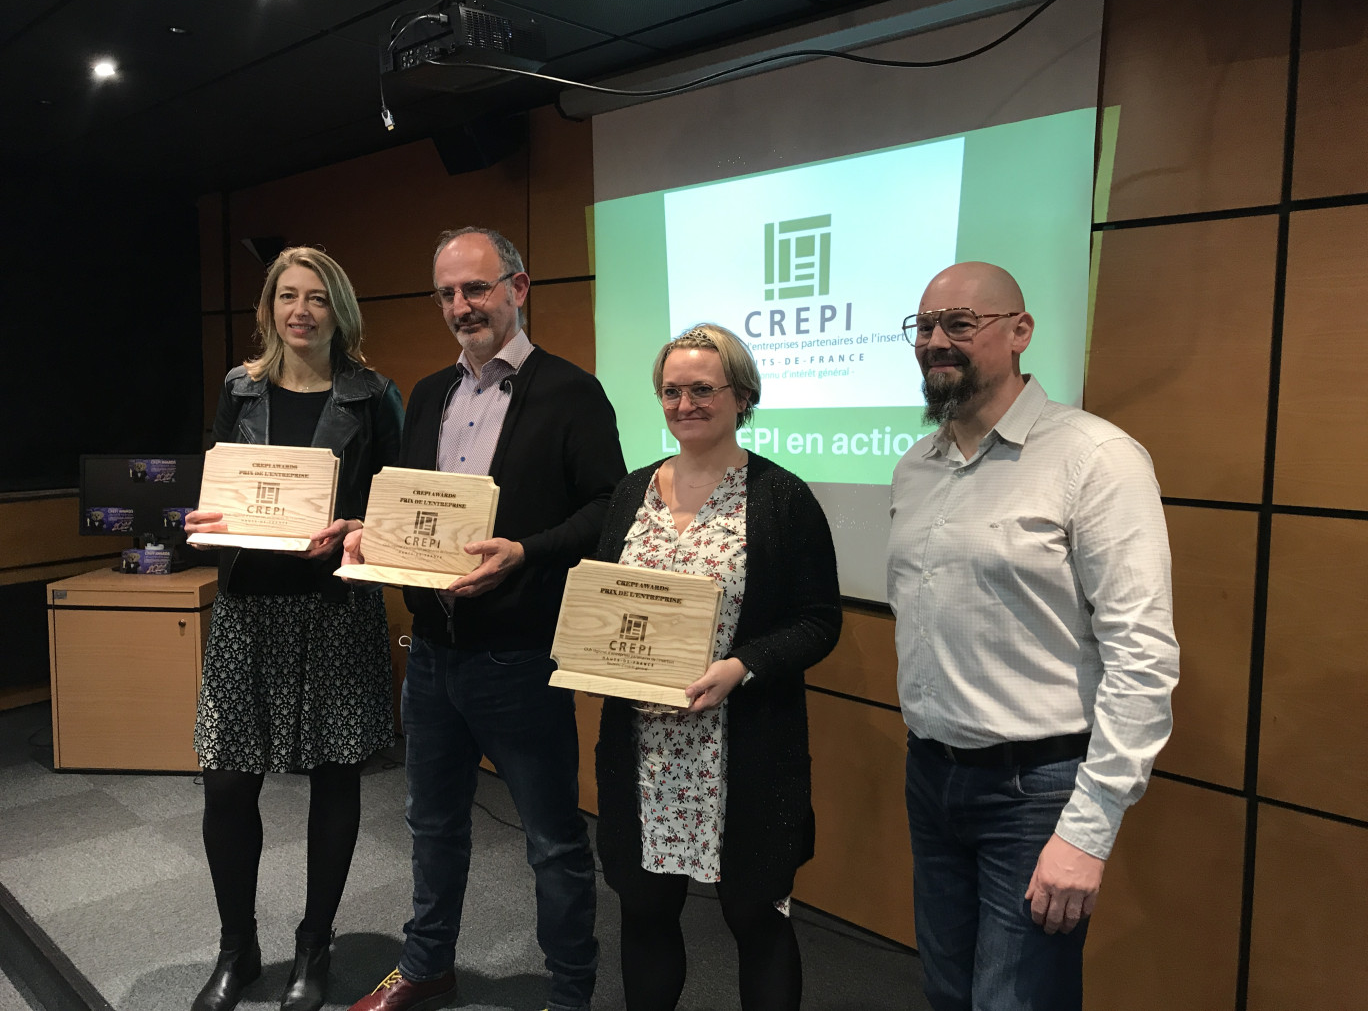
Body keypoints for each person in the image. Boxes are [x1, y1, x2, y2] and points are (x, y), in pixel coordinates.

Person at [885, 262, 1180, 1011]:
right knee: (948, 992)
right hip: (932, 773)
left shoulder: (1096, 458)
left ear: (1020, 332)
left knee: (1017, 1002)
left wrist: (1089, 830)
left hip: (1037, 789)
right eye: (923, 327)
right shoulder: (917, 464)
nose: (935, 342)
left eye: (959, 323)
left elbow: (1142, 657)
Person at [344, 227, 625, 1011]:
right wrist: (375, 534)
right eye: (447, 294)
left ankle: (571, 994)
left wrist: (526, 551)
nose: (462, 306)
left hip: (521, 657)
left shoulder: (572, 392)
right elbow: (408, 501)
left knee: (552, 842)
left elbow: (608, 507)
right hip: (432, 651)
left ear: (519, 287)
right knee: (431, 826)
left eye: (476, 288)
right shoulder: (430, 393)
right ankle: (426, 966)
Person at [594, 324, 842, 1011]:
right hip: (645, 752)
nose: (684, 404)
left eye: (702, 389)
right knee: (643, 911)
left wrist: (743, 666)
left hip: (743, 749)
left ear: (743, 396)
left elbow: (820, 620)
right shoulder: (631, 493)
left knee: (755, 918)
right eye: (671, 391)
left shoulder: (782, 499)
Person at [185, 247, 404, 1011]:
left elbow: (397, 506)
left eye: (316, 297)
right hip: (248, 608)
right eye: (287, 296)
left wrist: (358, 525)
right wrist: (206, 524)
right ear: (269, 308)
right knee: (227, 781)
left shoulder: (374, 396)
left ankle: (316, 946)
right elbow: (221, 487)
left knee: (333, 780)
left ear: (338, 309)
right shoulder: (238, 388)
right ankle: (236, 949)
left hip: (333, 608)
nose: (300, 310)